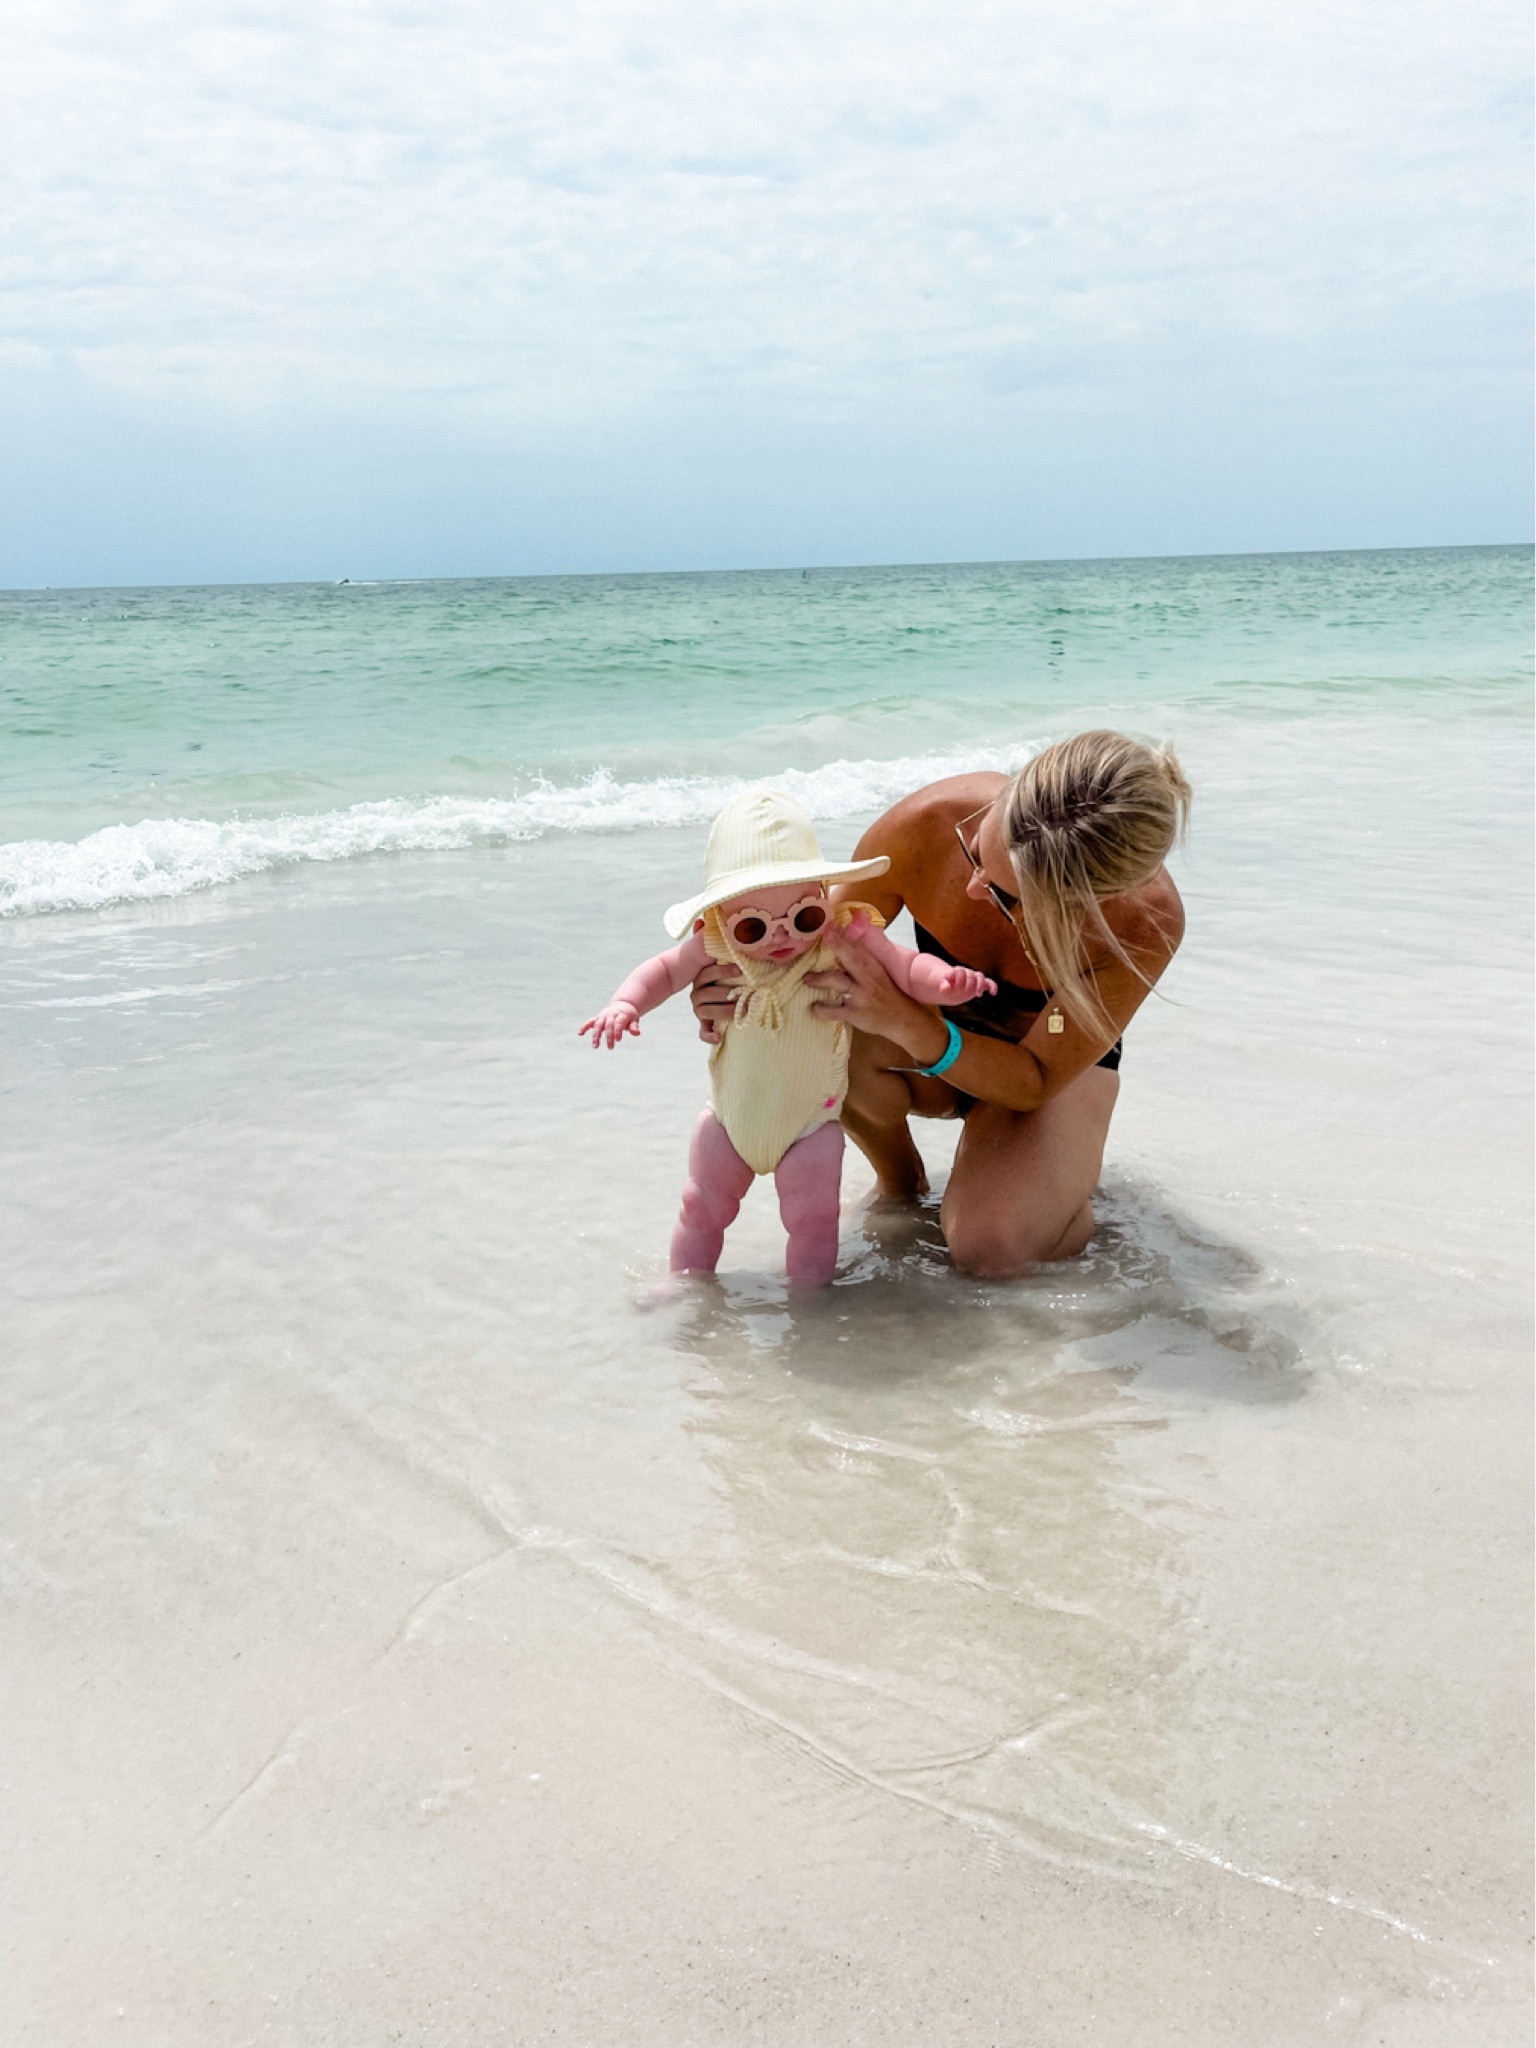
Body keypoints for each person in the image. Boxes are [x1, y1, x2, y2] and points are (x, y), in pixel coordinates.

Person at [689, 732, 1190, 1277]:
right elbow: (809, 960)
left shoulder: (1142, 922)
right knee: (830, 1008)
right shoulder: (924, 826)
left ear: (1086, 904)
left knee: (990, 1250)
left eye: (1005, 895)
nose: (974, 887)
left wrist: (911, 1025)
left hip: (1049, 1072)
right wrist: (730, 989)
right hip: (936, 1044)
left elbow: (1034, 1079)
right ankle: (900, 1187)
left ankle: (1054, 1193)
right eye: (976, 848)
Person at [579, 788, 996, 1286]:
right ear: (716, 916)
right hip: (729, 1120)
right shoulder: (712, 945)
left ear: (823, 895)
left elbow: (905, 966)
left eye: (803, 917)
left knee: (813, 1223)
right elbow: (663, 972)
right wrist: (626, 1003)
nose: (782, 937)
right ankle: (685, 1287)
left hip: (812, 1125)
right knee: (700, 1207)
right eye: (754, 928)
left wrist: (943, 982)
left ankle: (809, 1305)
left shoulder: (840, 935)